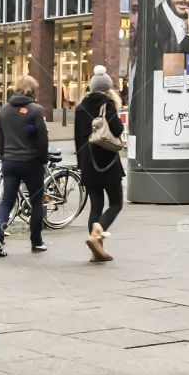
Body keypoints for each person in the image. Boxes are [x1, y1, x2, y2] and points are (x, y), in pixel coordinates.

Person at [0, 74, 50, 258]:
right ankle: (36, 241)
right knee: (36, 202)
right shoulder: (36, 110)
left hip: (10, 162)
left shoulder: (4, 111)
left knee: (6, 202)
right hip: (31, 162)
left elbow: (0, 139)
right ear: (32, 90)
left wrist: (5, 157)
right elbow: (42, 139)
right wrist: (43, 158)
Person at [75, 70, 125, 263]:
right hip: (108, 162)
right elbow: (118, 130)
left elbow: (78, 139)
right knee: (115, 203)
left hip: (88, 163)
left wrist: (81, 166)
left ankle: (96, 251)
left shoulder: (80, 108)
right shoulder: (107, 104)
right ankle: (96, 236)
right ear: (107, 88)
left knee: (95, 206)